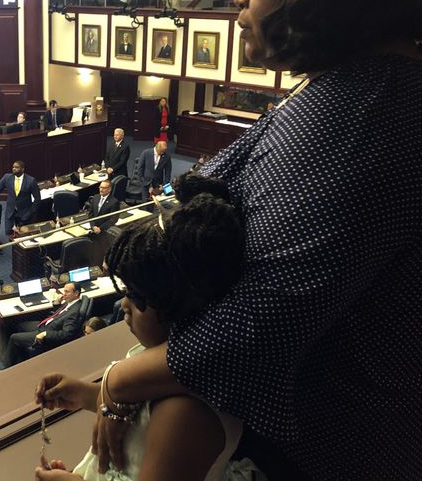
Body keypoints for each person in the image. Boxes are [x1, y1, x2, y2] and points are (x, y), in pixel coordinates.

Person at [88, 0, 422, 480]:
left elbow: (258, 324)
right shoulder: (375, 86)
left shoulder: (368, 114)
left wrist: (119, 381)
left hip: (350, 454)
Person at [35, 182, 256, 481]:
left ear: (176, 304)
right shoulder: (158, 360)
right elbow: (141, 413)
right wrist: (85, 395)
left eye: (138, 298)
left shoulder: (185, 414)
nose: (124, 305)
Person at [7, 282, 84, 366]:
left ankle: (7, 367)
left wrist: (46, 334)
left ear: (76, 293)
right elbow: (60, 314)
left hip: (47, 333)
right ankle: (23, 359)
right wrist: (57, 302)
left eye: (67, 291)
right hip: (45, 325)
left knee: (13, 338)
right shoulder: (71, 301)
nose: (63, 294)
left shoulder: (74, 311)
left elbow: (66, 334)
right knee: (21, 325)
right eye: (64, 291)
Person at [0, 160, 41, 236]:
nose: (14, 169)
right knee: (8, 234)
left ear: (22, 169)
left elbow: (37, 199)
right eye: (13, 167)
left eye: (17, 167)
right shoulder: (7, 177)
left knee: (23, 236)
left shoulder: (31, 181)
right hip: (10, 211)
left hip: (25, 213)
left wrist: (30, 212)